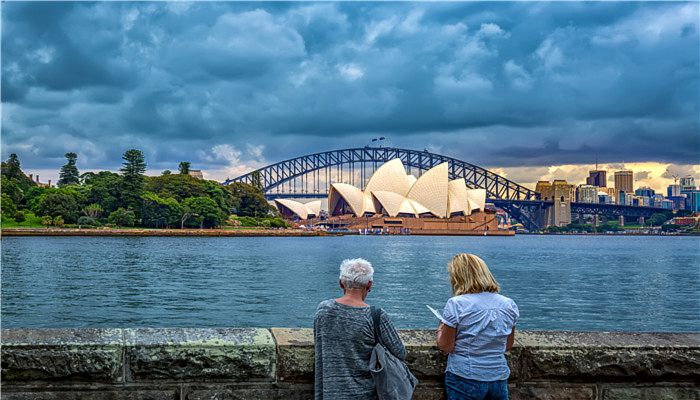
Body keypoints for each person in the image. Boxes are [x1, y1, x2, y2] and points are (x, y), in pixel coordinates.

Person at [314, 258, 406, 400]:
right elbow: (400, 352)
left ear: (341, 283)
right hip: (367, 394)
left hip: (329, 393)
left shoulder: (323, 310)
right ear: (369, 285)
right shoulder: (376, 316)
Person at [436, 253, 519, 400]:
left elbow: (445, 347)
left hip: (465, 375)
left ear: (458, 277)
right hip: (498, 376)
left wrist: (441, 328)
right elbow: (507, 345)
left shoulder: (456, 304)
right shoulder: (508, 304)